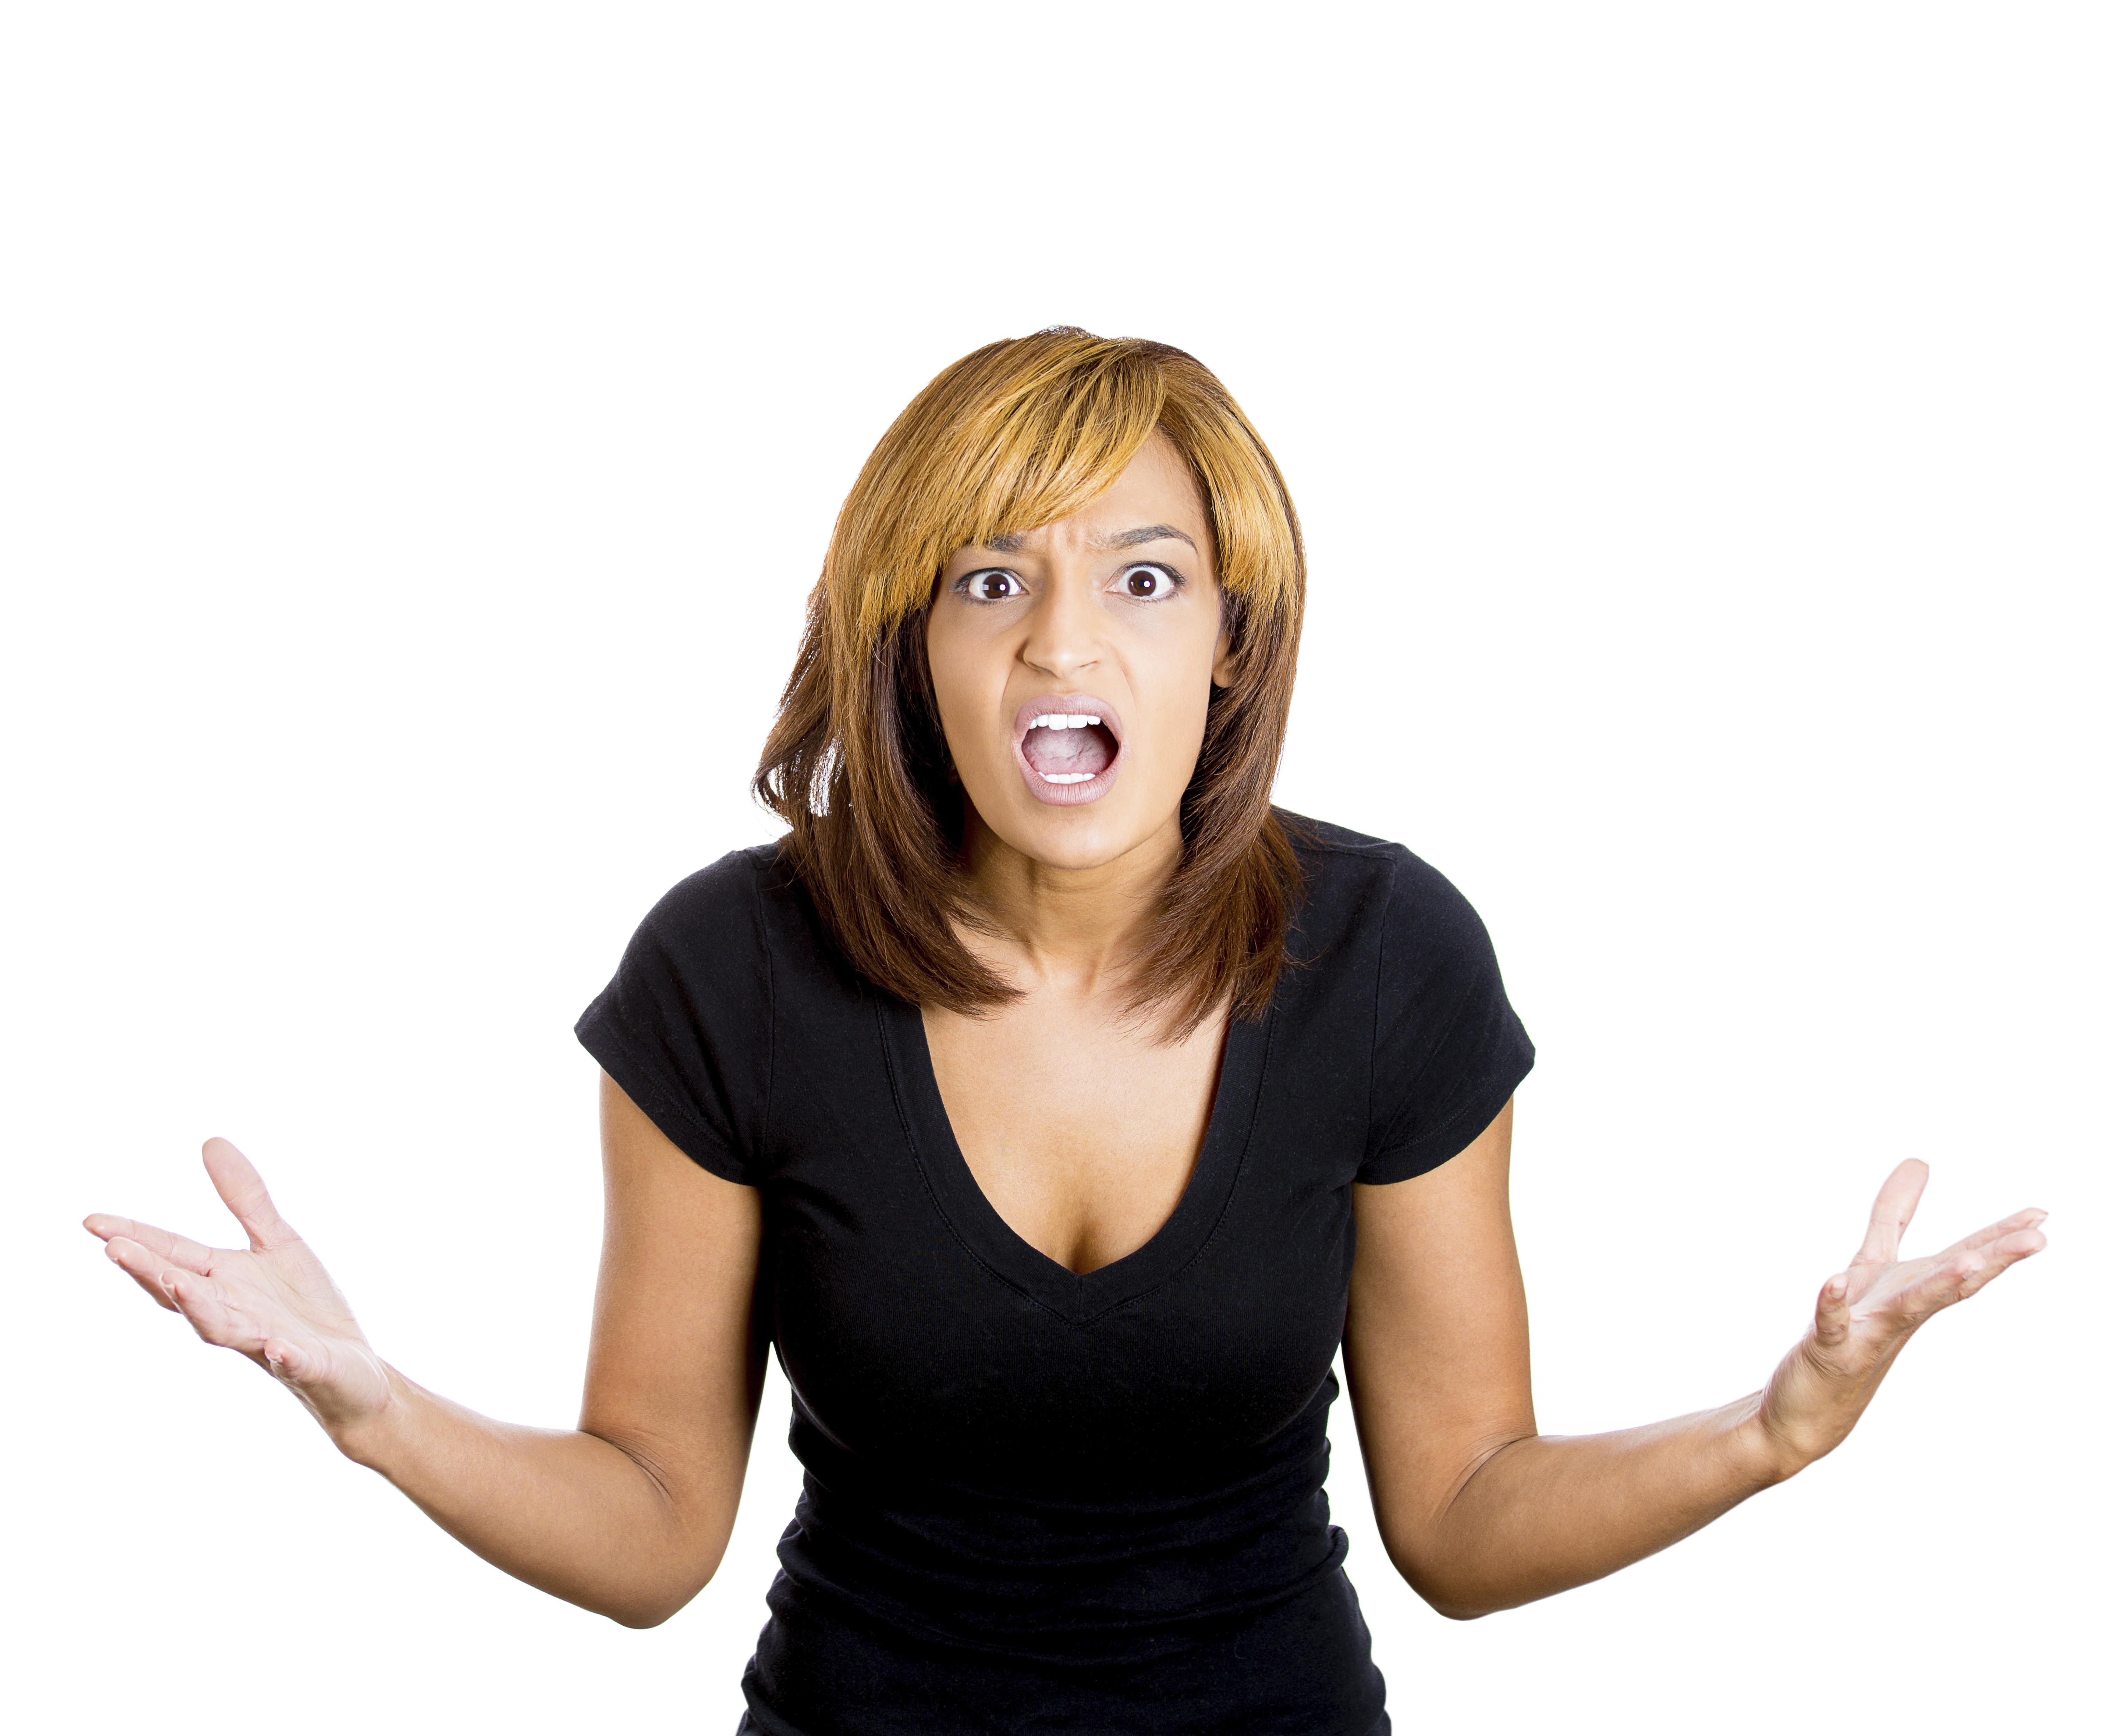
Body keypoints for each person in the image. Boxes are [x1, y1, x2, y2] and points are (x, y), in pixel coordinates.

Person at [84, 328, 2049, 1736]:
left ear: (1230, 644)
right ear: (909, 648)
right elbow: (657, 1525)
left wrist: (1770, 1436)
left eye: (1142, 576)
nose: (1060, 643)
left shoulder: (1388, 955)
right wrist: (376, 1411)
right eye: (989, 579)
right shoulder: (730, 970)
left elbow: (1458, 1515)